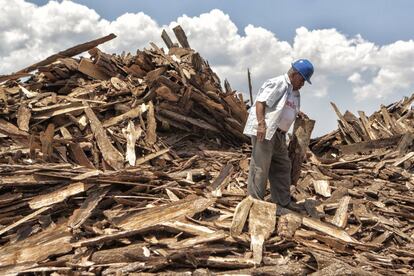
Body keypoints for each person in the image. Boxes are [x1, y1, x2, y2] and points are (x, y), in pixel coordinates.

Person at [243, 59, 314, 211]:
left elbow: (285, 107)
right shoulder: (278, 83)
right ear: (295, 74)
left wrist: (297, 112)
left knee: (283, 166)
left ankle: (282, 202)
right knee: (260, 167)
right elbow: (261, 103)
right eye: (302, 80)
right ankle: (255, 203)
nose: (303, 84)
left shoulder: (295, 92)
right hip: (267, 131)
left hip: (280, 135)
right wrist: (261, 125)